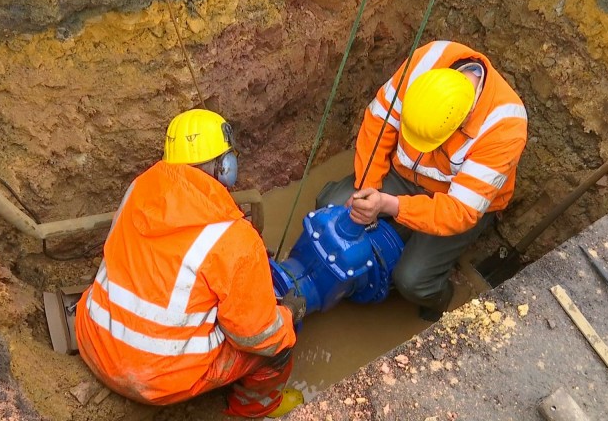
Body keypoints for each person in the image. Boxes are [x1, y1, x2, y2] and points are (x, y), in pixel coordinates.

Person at [75, 109, 307, 418]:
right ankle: (253, 410)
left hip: (92, 340)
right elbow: (257, 336)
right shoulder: (234, 238)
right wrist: (288, 314)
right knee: (280, 348)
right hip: (153, 380)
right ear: (224, 165)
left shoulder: (139, 188)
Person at [317, 40, 528, 321]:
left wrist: (390, 206)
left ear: (461, 121)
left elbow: (459, 212)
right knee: (330, 206)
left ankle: (441, 302)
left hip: (458, 201)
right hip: (402, 174)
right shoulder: (427, 61)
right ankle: (400, 236)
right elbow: (379, 122)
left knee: (412, 280)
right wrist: (369, 186)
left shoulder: (504, 126)